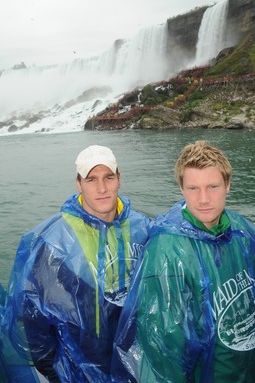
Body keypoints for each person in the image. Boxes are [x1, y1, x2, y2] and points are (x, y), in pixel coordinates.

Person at [111, 140, 255, 383]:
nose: (203, 199)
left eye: (213, 186)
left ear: (228, 185)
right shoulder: (166, 252)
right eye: (193, 188)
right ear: (181, 189)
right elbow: (163, 348)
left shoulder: (243, 232)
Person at [2, 145, 151, 382]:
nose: (101, 188)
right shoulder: (54, 243)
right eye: (91, 179)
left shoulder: (141, 227)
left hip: (134, 363)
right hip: (79, 370)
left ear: (119, 179)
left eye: (108, 177)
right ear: (78, 184)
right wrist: (55, 372)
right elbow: (32, 317)